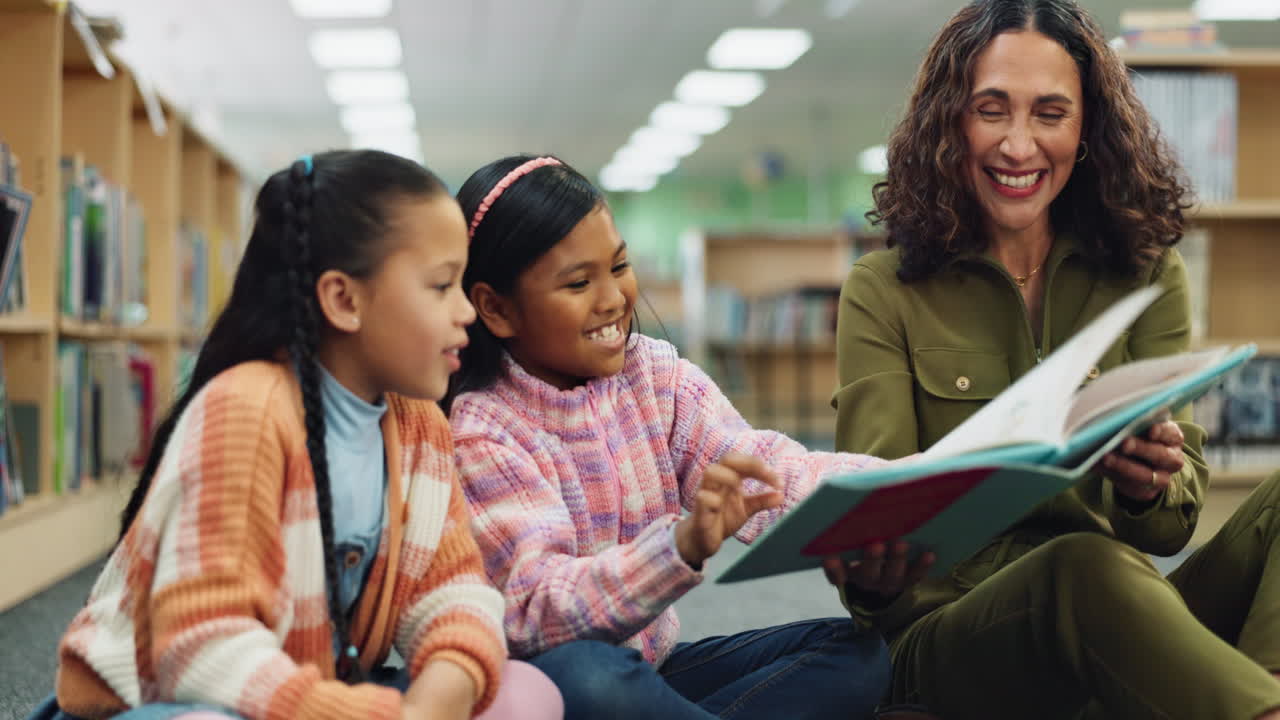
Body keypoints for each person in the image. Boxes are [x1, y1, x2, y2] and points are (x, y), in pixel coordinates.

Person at [829, 1, 1280, 718]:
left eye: (1049, 113)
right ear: (951, 121)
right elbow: (875, 557)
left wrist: (1144, 488)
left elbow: (1166, 533)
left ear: (1086, 129)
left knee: (1111, 567)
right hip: (950, 637)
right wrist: (876, 560)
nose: (1018, 144)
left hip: (1120, 613)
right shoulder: (882, 291)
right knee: (1081, 566)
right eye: (991, 109)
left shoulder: (1147, 273)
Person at [36, 150, 562, 720]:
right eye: (441, 286)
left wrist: (442, 694)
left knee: (525, 692)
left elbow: (453, 590)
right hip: (178, 699)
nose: (466, 312)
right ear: (343, 300)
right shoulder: (246, 409)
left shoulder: (421, 426)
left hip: (315, 691)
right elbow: (202, 649)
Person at [444, 155, 903, 720]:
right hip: (558, 687)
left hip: (653, 674)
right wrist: (678, 546)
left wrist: (904, 485)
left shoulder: (653, 376)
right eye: (579, 282)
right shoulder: (481, 431)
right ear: (495, 307)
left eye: (618, 266)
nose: (613, 298)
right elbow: (538, 613)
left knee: (855, 653)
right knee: (592, 677)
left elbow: (764, 467)